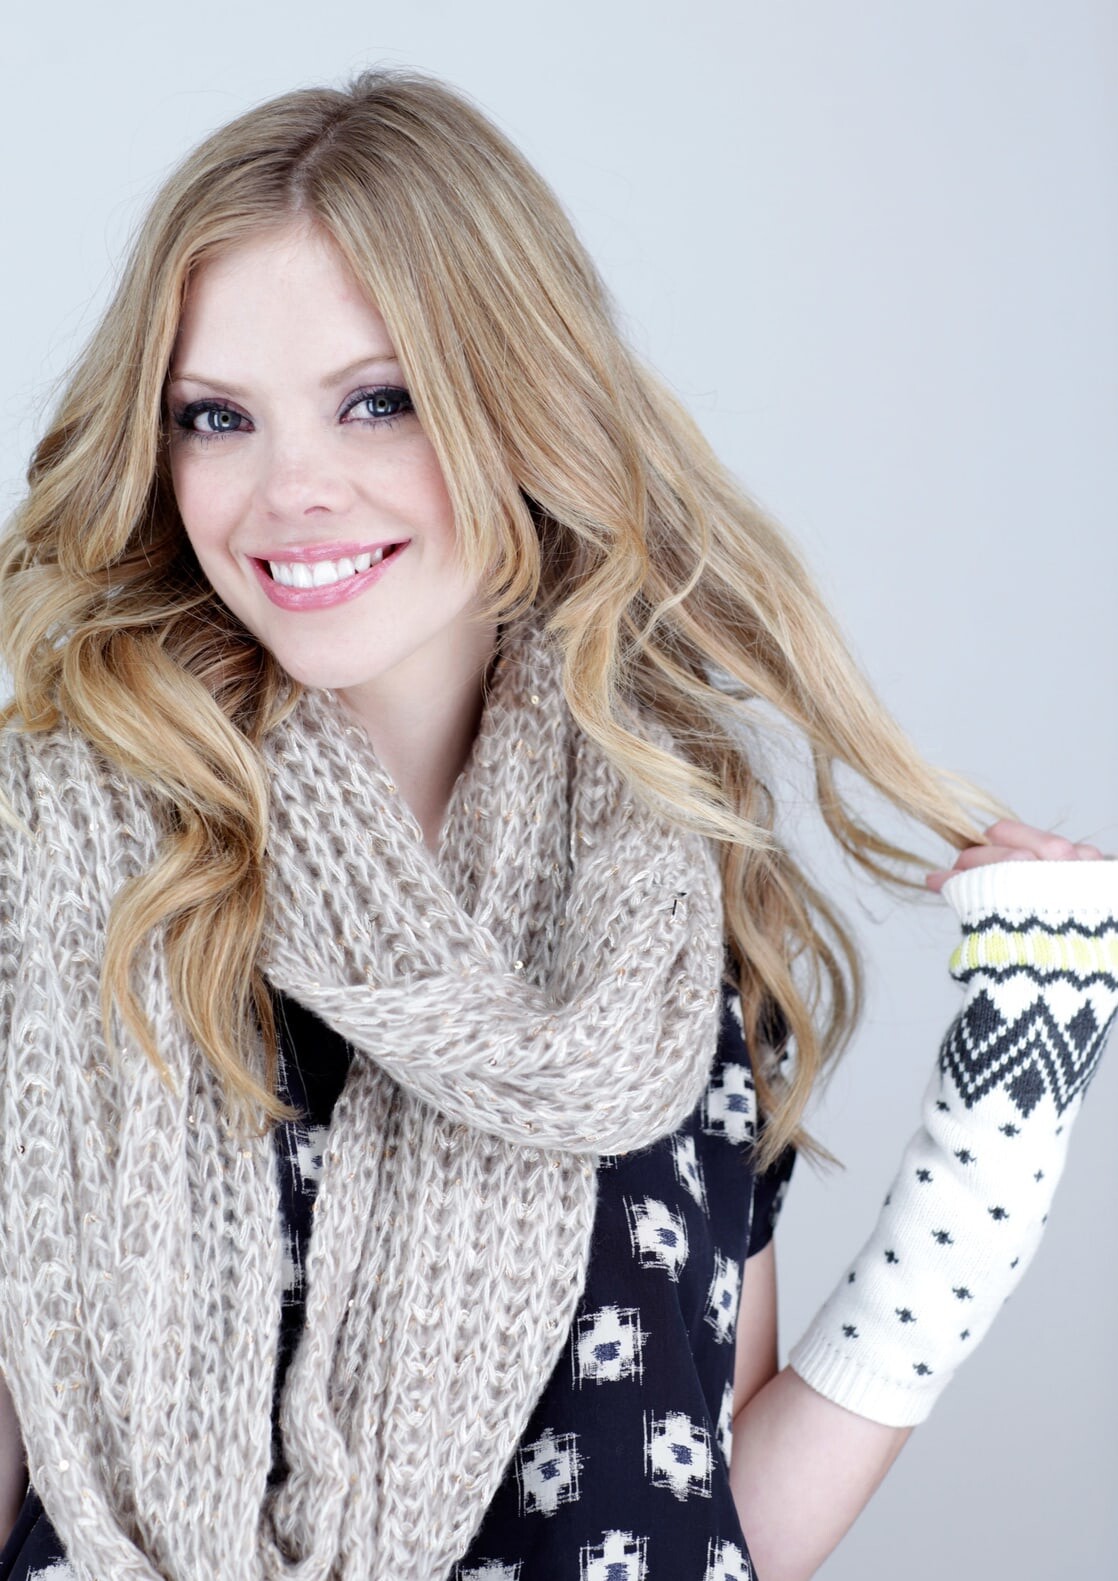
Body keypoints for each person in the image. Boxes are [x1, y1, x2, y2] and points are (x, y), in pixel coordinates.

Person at [0, 68, 1112, 1581]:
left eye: (378, 399)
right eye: (216, 417)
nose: (290, 489)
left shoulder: (662, 900)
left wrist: (992, 1160)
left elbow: (701, 1509)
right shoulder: (69, 875)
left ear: (518, 402)